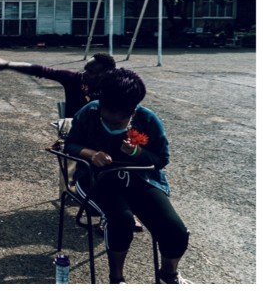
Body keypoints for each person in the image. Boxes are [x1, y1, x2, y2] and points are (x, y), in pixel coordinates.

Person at [64, 68, 189, 283]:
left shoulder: (148, 119)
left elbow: (161, 159)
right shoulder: (89, 112)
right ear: (100, 105)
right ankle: (117, 279)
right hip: (96, 180)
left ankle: (169, 276)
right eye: (107, 119)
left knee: (174, 230)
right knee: (120, 220)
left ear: (132, 112)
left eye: (118, 123)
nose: (112, 125)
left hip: (140, 180)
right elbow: (70, 144)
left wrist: (138, 153)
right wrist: (91, 154)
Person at [0, 52, 116, 119]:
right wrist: (7, 64)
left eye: (91, 72)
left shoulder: (117, 84)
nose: (84, 73)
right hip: (76, 133)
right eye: (85, 68)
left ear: (105, 74)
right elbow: (39, 70)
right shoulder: (74, 79)